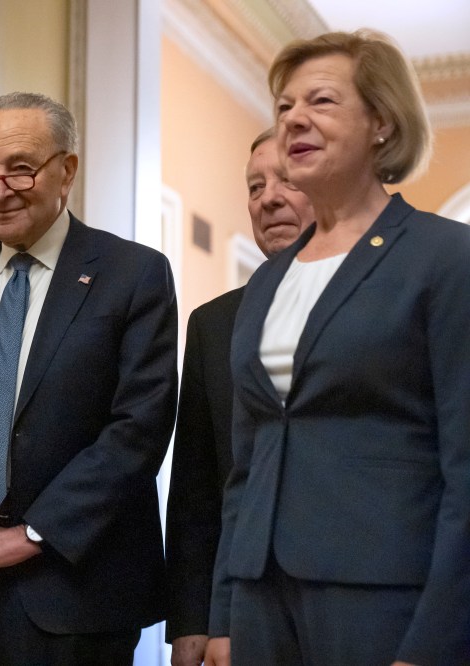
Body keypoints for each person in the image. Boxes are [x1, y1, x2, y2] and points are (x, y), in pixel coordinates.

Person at [205, 30, 470, 666]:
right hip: (261, 595)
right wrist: (224, 614)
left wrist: (437, 639)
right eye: (285, 106)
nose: (294, 117)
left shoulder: (445, 258)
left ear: (381, 121)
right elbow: (246, 464)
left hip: (385, 595)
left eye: (321, 101)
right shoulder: (267, 279)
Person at [0, 91, 178, 665]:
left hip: (73, 593)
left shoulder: (133, 275)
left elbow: (138, 428)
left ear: (66, 170)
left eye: (20, 168)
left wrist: (32, 534)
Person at [165, 127, 313, 666]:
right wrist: (192, 623)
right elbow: (198, 488)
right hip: (243, 611)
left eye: (287, 181)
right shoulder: (214, 324)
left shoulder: (389, 303)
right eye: (254, 187)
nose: (268, 198)